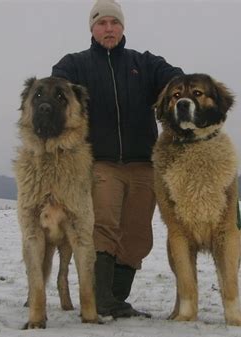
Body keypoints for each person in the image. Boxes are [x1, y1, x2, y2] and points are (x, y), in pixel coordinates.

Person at [52, 0, 183, 318]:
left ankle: (114, 298)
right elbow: (55, 90)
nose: (108, 28)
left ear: (122, 27)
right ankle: (98, 298)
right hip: (101, 163)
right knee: (104, 226)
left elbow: (177, 81)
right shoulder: (75, 65)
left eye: (114, 22)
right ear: (92, 29)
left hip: (143, 164)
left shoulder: (145, 63)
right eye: (101, 23)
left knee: (137, 235)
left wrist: (188, 92)